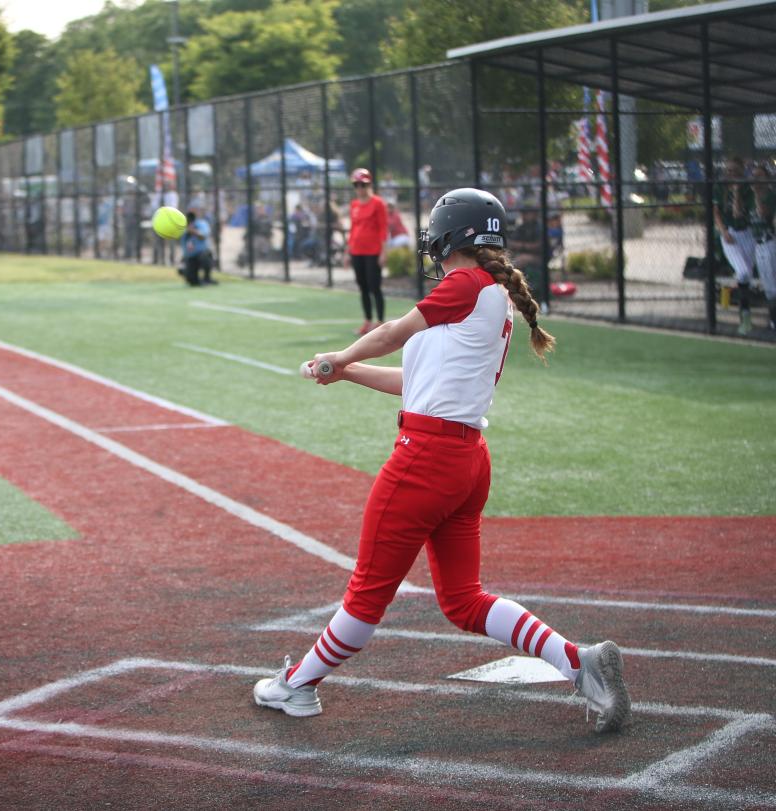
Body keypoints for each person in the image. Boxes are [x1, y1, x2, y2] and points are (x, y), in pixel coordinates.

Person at [253, 188, 631, 734]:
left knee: (366, 596)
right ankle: (579, 662)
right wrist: (346, 373)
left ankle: (297, 686)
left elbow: (389, 333)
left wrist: (342, 353)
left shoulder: (468, 284)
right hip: (464, 460)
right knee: (462, 601)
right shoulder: (489, 293)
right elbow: (415, 384)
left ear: (452, 234)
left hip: (425, 461)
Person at [713, 156, 756, 336]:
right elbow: (716, 213)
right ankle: (744, 315)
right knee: (744, 273)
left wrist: (737, 192)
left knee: (746, 275)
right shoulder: (719, 187)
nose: (731, 174)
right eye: (728, 171)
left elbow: (739, 214)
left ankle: (745, 316)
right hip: (730, 235)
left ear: (741, 172)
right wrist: (723, 231)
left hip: (747, 234)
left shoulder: (747, 189)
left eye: (735, 171)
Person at [345, 168, 388, 335]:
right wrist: (347, 251)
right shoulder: (354, 205)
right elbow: (353, 229)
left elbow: (383, 229)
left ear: (369, 184)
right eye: (356, 185)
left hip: (373, 252)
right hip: (357, 251)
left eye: (362, 184)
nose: (360, 188)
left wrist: (384, 252)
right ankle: (368, 321)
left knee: (374, 287)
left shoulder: (378, 203)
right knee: (362, 287)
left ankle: (380, 322)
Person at [750, 161, 776, 332]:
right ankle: (773, 320)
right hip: (758, 245)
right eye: (754, 176)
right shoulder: (752, 196)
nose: (755, 180)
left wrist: (757, 195)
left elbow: (763, 213)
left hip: (770, 243)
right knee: (768, 287)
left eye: (759, 176)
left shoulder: (771, 195)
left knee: (773, 285)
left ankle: (774, 321)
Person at [179, 210, 215, 286]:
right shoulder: (183, 229)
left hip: (202, 254)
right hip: (190, 257)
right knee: (191, 280)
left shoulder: (201, 224)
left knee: (205, 256)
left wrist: (192, 231)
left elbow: (203, 236)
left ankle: (207, 278)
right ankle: (196, 279)